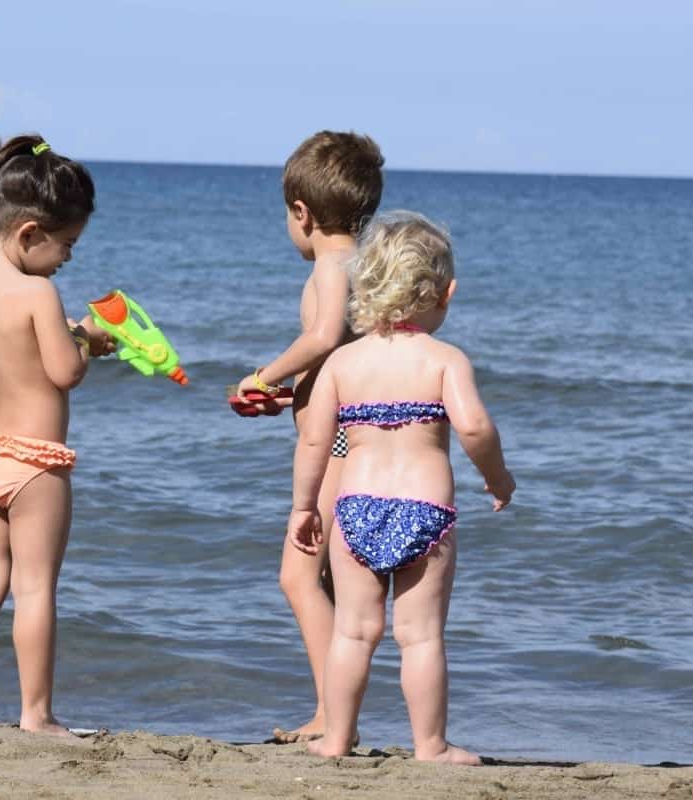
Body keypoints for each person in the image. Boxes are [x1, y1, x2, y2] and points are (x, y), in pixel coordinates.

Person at [286, 211, 515, 764]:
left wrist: (303, 508)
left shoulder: (343, 362)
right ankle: (430, 745)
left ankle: (337, 738)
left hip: (355, 507)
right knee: (420, 636)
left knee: (354, 632)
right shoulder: (445, 361)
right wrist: (497, 477)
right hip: (425, 512)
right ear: (446, 293)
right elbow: (476, 427)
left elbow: (315, 442)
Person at [0, 136, 112, 733]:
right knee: (35, 588)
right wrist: (87, 338)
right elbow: (65, 373)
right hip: (34, 463)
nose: (67, 259)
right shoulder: (39, 291)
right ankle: (35, 713)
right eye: (66, 245)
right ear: (29, 233)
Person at [233, 130, 384, 742]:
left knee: (297, 576)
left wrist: (263, 374)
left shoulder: (331, 267)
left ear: (302, 213)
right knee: (326, 583)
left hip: (340, 447)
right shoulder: (366, 269)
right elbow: (342, 366)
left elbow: (322, 339)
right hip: (354, 434)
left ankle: (332, 717)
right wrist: (291, 398)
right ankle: (332, 712)